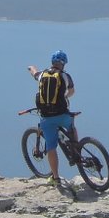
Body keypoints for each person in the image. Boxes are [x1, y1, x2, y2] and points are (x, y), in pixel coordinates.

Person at [27, 50, 76, 185]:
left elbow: (34, 73)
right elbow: (71, 91)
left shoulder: (43, 74)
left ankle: (55, 178)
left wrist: (31, 67)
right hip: (63, 114)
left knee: (51, 148)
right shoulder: (65, 76)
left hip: (47, 117)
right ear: (64, 64)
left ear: (52, 62)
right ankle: (75, 150)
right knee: (71, 124)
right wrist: (63, 96)